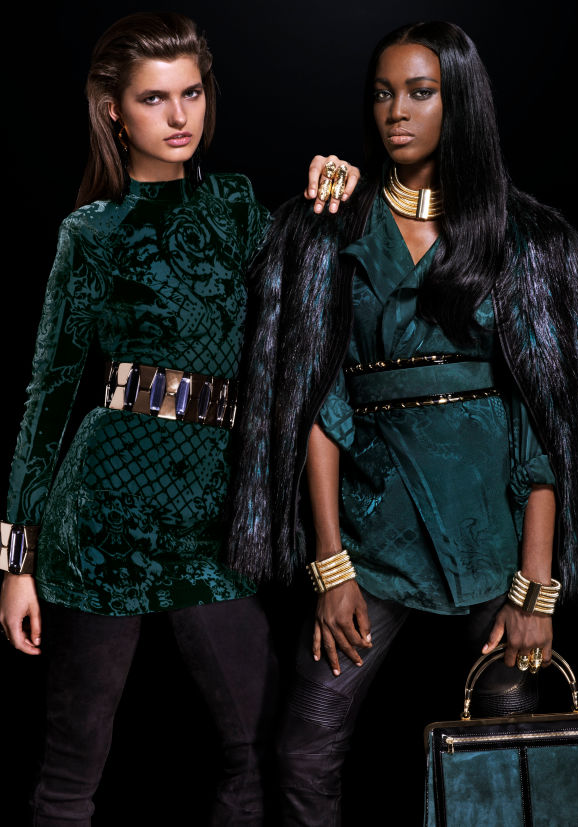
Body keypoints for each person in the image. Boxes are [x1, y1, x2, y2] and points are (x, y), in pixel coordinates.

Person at [226, 20, 578, 824]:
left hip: (495, 540)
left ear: (459, 101)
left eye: (419, 92)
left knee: (509, 758)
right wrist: (331, 565)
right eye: (382, 93)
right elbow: (317, 404)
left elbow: (544, 422)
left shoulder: (527, 240)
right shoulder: (331, 226)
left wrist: (537, 591)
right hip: (374, 533)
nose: (395, 112)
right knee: (303, 752)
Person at [0, 11, 359, 825]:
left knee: (257, 748)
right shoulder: (92, 232)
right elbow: (47, 395)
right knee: (73, 765)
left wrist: (340, 187)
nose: (178, 116)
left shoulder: (235, 207)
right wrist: (17, 561)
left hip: (209, 515)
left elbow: (308, 288)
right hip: (104, 516)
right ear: (114, 111)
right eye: (154, 98)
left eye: (191, 93)